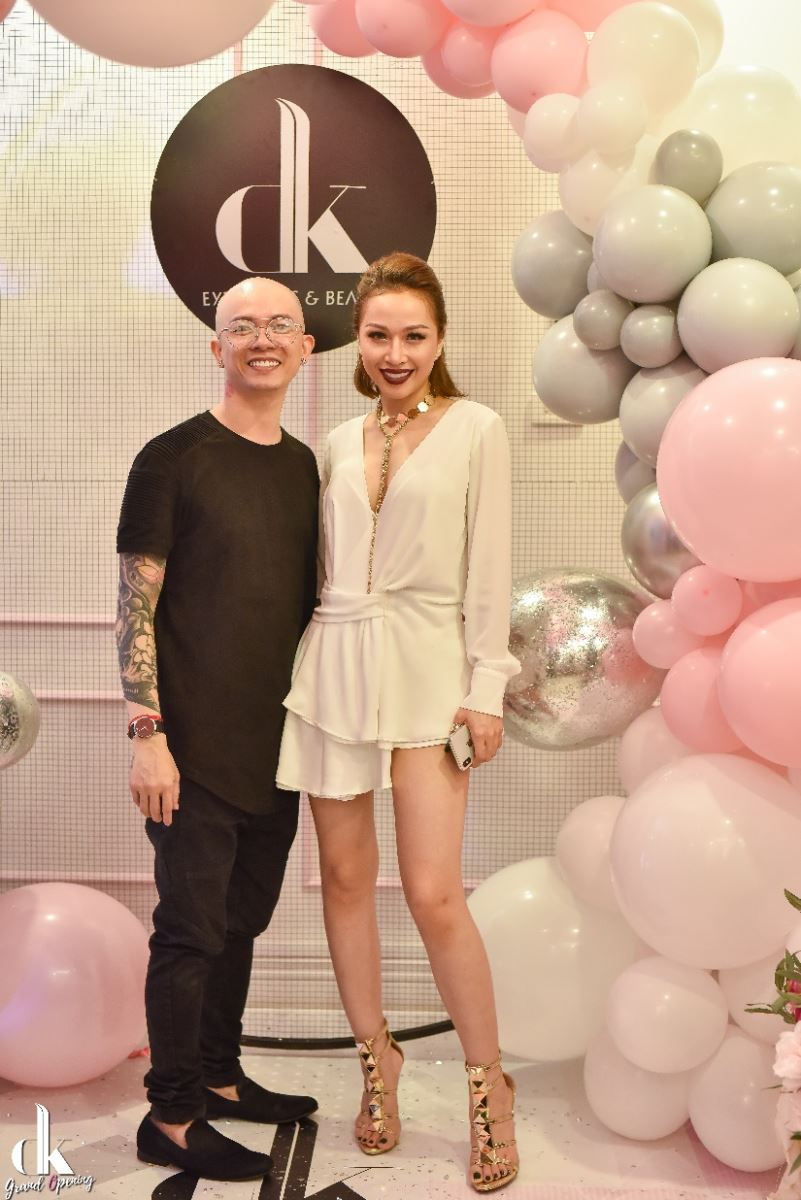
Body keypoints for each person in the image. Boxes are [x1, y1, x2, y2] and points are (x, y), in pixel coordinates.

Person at [276, 252, 522, 1193]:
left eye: (413, 335)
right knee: (345, 879)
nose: (394, 352)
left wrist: (486, 686)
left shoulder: (476, 429)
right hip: (336, 665)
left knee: (432, 893)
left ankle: (487, 1088)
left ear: (439, 338)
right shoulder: (334, 442)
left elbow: (489, 567)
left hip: (428, 671)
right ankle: (376, 1061)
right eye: (378, 334)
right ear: (357, 340)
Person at [115, 277, 320, 1183]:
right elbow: (134, 606)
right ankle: (170, 1112)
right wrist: (147, 732)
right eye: (242, 327)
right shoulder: (171, 457)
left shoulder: (304, 466)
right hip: (189, 749)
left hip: (276, 746)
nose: (261, 339)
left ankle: (220, 1076)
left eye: (279, 325)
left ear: (305, 347)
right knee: (190, 933)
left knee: (240, 924)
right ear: (217, 348)